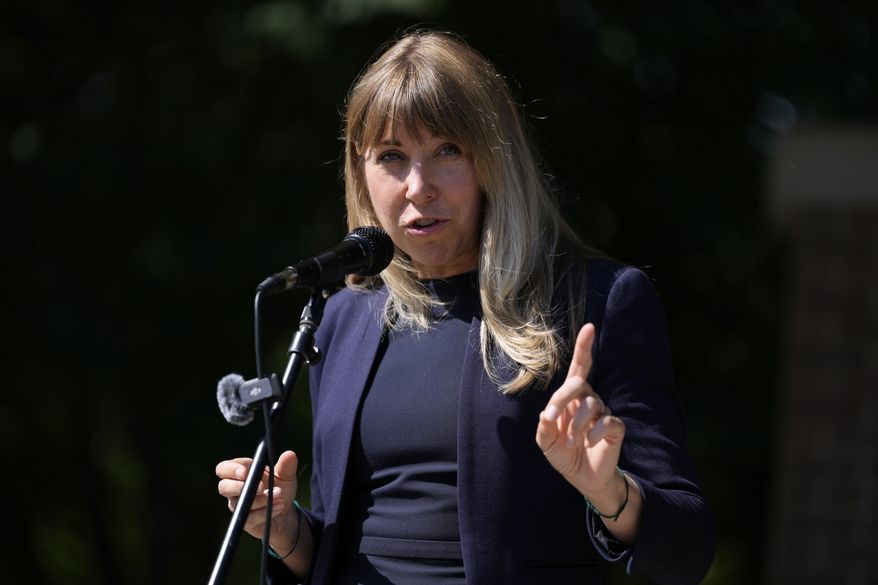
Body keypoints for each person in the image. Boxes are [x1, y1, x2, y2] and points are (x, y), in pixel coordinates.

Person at [216, 29, 716, 585]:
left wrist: (609, 492)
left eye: (446, 151)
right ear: (360, 171)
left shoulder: (594, 300)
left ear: (493, 162)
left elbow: (687, 552)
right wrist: (286, 531)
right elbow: (339, 548)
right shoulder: (344, 318)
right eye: (391, 157)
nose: (418, 187)